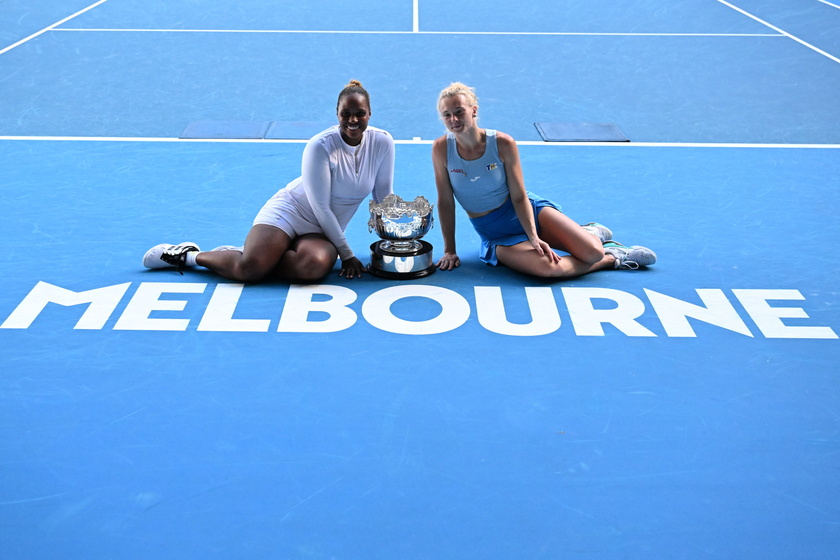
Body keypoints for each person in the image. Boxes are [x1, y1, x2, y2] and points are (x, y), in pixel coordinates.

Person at [142, 80, 394, 282]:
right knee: (249, 270)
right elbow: (320, 207)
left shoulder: (382, 142)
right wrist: (347, 254)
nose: (352, 120)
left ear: (370, 113)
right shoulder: (320, 145)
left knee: (313, 267)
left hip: (322, 229)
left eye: (359, 114)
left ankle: (261, 254)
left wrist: (392, 248)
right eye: (345, 113)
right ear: (336, 114)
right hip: (292, 212)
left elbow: (383, 197)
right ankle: (189, 255)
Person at [431, 82, 656, 279]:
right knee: (548, 269)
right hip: (497, 234)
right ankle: (613, 257)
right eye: (447, 115)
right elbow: (446, 202)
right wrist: (450, 250)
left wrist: (534, 237)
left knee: (591, 252)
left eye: (459, 111)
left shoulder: (503, 143)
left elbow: (519, 196)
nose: (454, 119)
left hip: (528, 212)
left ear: (473, 110)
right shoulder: (441, 149)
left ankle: (590, 236)